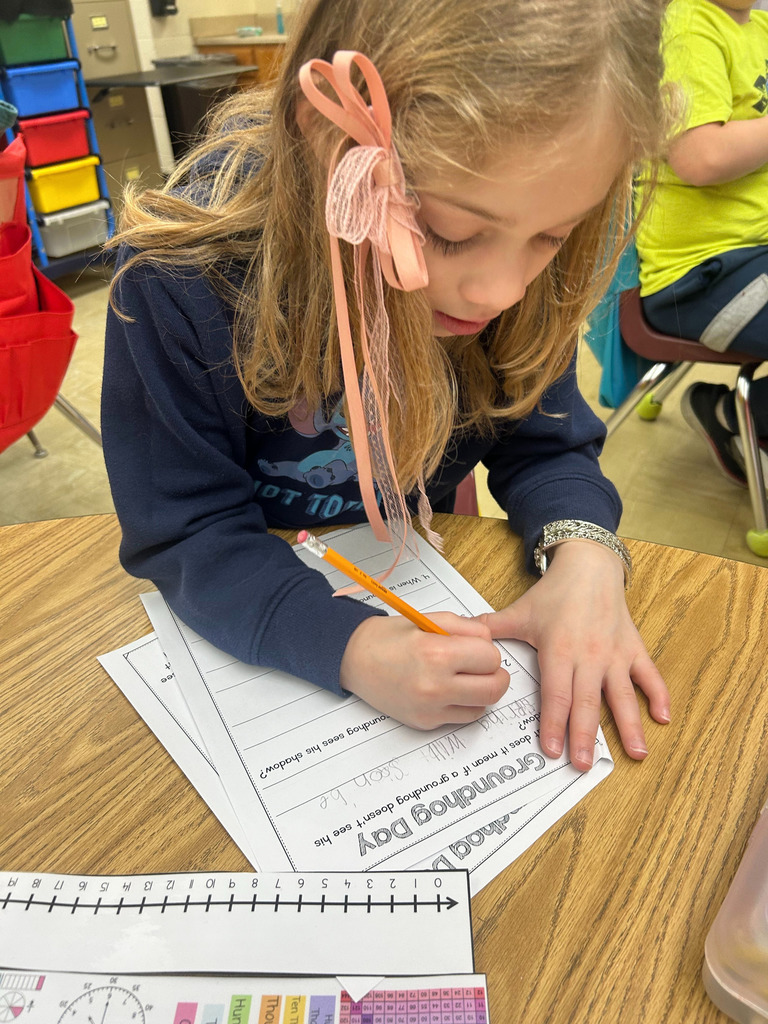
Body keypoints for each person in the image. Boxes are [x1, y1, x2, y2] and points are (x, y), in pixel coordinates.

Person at [102, 0, 672, 772]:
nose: (501, 290)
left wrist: (586, 556)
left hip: (422, 546)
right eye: (448, 232)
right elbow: (187, 531)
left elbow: (545, 444)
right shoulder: (179, 279)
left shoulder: (520, 231)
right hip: (255, 609)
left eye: (553, 235)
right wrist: (351, 646)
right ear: (327, 139)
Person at [636, 0, 768, 483]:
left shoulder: (761, 27)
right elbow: (700, 156)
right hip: (700, 276)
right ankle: (737, 417)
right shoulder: (688, 23)